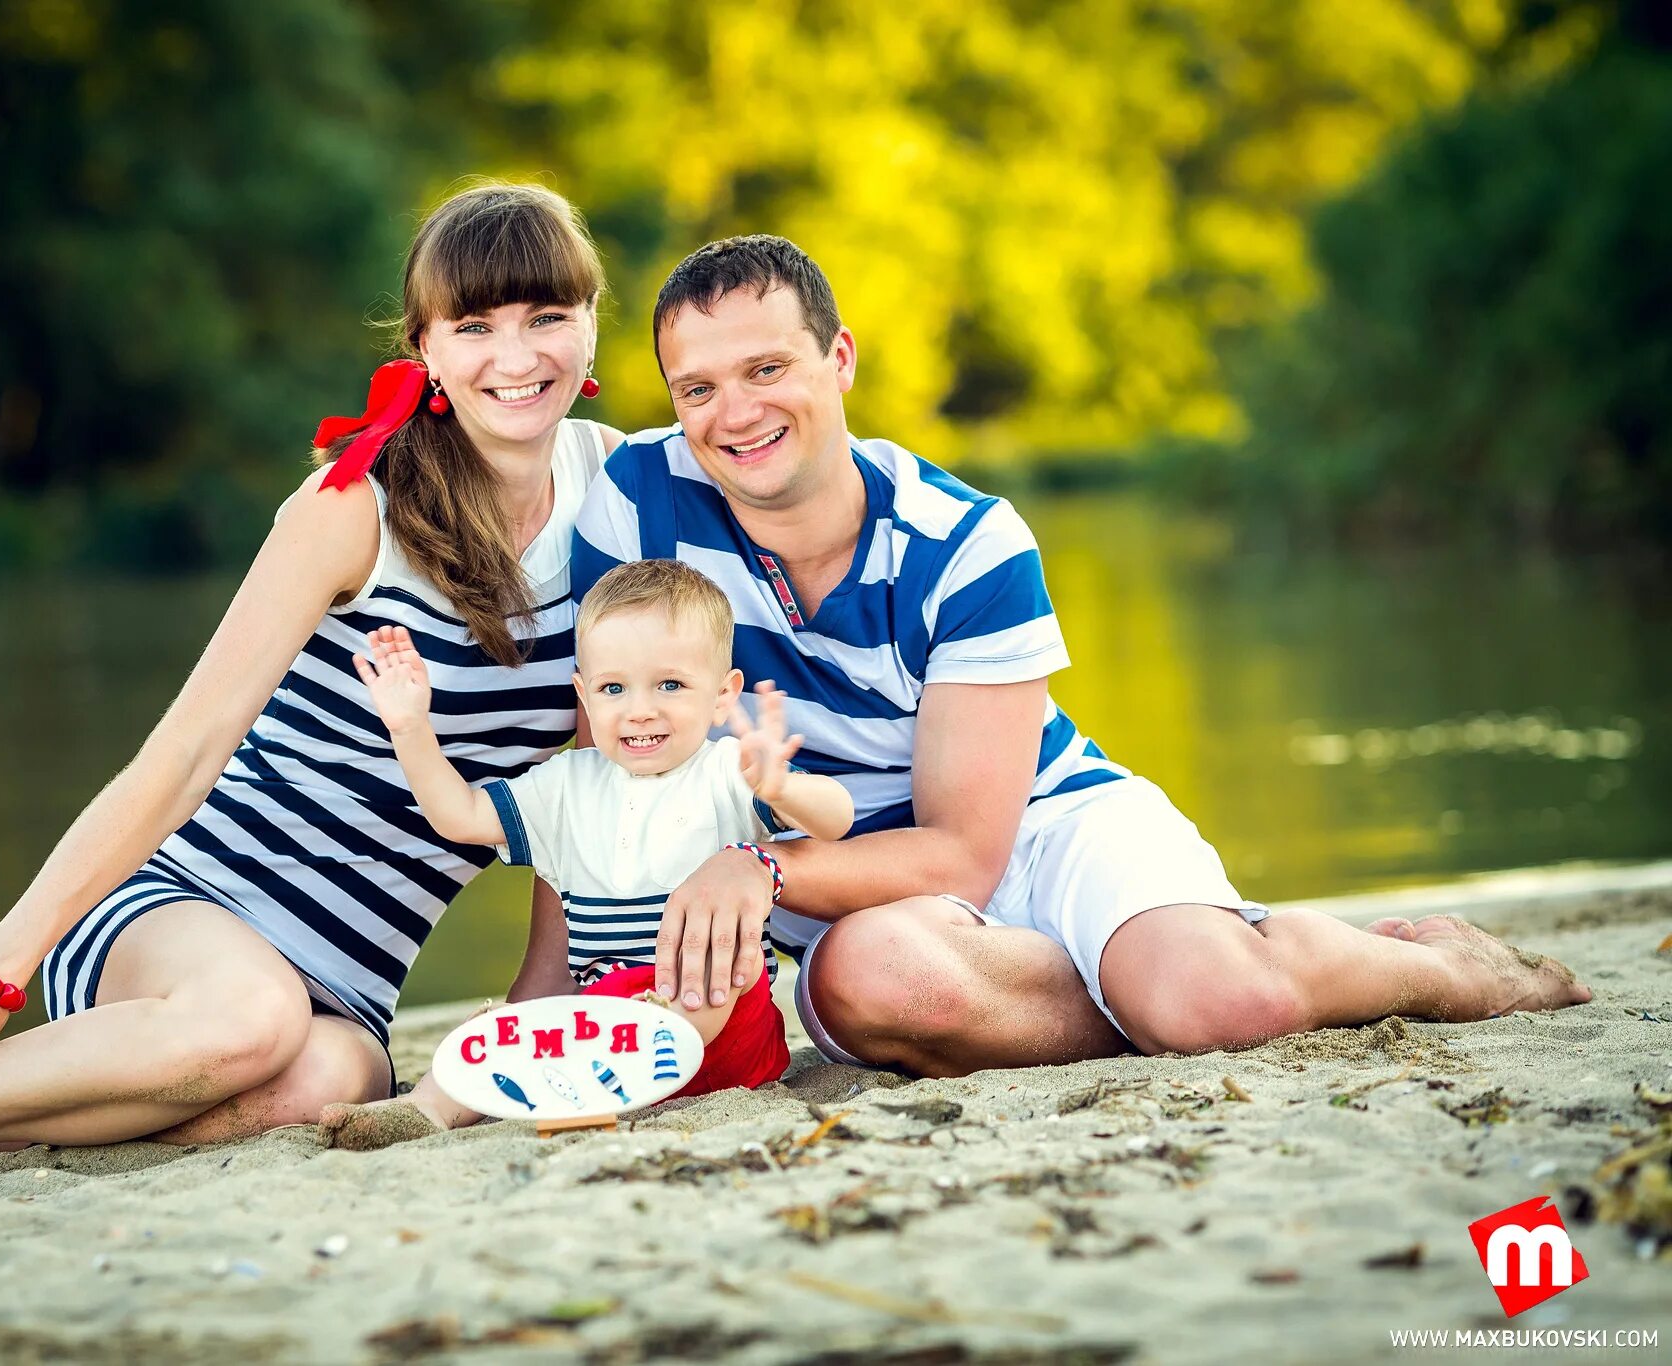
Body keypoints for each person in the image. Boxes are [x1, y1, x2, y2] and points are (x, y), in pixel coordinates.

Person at [0, 183, 627, 1195]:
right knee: (248, 1022)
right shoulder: (351, 508)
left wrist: (535, 1006)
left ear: (590, 321)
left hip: (348, 979)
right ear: (426, 345)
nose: (515, 358)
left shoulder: (614, 497)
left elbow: (590, 781)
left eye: (546, 318)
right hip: (182, 909)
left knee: (312, 1087)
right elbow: (182, 755)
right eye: (474, 325)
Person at [572, 234, 1591, 1078]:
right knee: (866, 984)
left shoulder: (966, 543)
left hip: (1038, 826)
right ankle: (1139, 974)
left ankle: (1446, 967)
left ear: (838, 358)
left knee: (1219, 1003)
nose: (732, 414)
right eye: (693, 388)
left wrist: (758, 863)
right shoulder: (636, 502)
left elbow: (967, 849)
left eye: (764, 369)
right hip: (872, 908)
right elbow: (594, 765)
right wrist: (554, 995)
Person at [321, 558, 854, 1145]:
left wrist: (783, 788)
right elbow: (459, 816)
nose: (640, 708)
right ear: (584, 693)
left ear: (724, 695)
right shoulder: (564, 787)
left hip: (722, 1024)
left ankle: (612, 1044)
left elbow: (836, 820)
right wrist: (410, 729)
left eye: (670, 685)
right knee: (502, 1030)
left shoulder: (727, 771)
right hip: (605, 1020)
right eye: (613, 688)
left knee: (688, 981)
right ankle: (423, 1112)